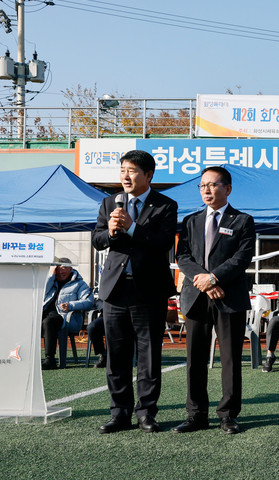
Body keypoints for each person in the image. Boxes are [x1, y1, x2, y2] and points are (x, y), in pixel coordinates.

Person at [92, 150, 178, 434]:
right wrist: (111, 232)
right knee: (116, 356)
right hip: (115, 289)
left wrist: (132, 228)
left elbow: (164, 242)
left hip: (148, 291)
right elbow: (97, 239)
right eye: (122, 171)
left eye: (132, 171)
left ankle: (146, 413)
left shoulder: (165, 205)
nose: (125, 176)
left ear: (148, 175)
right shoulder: (109, 202)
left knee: (148, 356)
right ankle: (119, 414)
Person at [173, 166, 255, 434]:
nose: (206, 190)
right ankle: (196, 415)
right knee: (195, 359)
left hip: (229, 297)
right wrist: (205, 282)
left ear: (227, 189)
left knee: (230, 359)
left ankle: (228, 415)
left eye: (212, 185)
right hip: (196, 297)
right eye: (202, 185)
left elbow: (242, 258)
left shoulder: (242, 220)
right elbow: (183, 257)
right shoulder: (191, 221)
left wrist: (215, 278)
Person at [40, 257, 94, 370]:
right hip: (45, 314)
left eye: (64, 268)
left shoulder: (79, 284)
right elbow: (40, 294)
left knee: (49, 321)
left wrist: (71, 305)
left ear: (71, 269)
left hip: (66, 318)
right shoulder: (50, 281)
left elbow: (89, 302)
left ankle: (50, 359)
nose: (61, 271)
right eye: (58, 268)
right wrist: (50, 276)